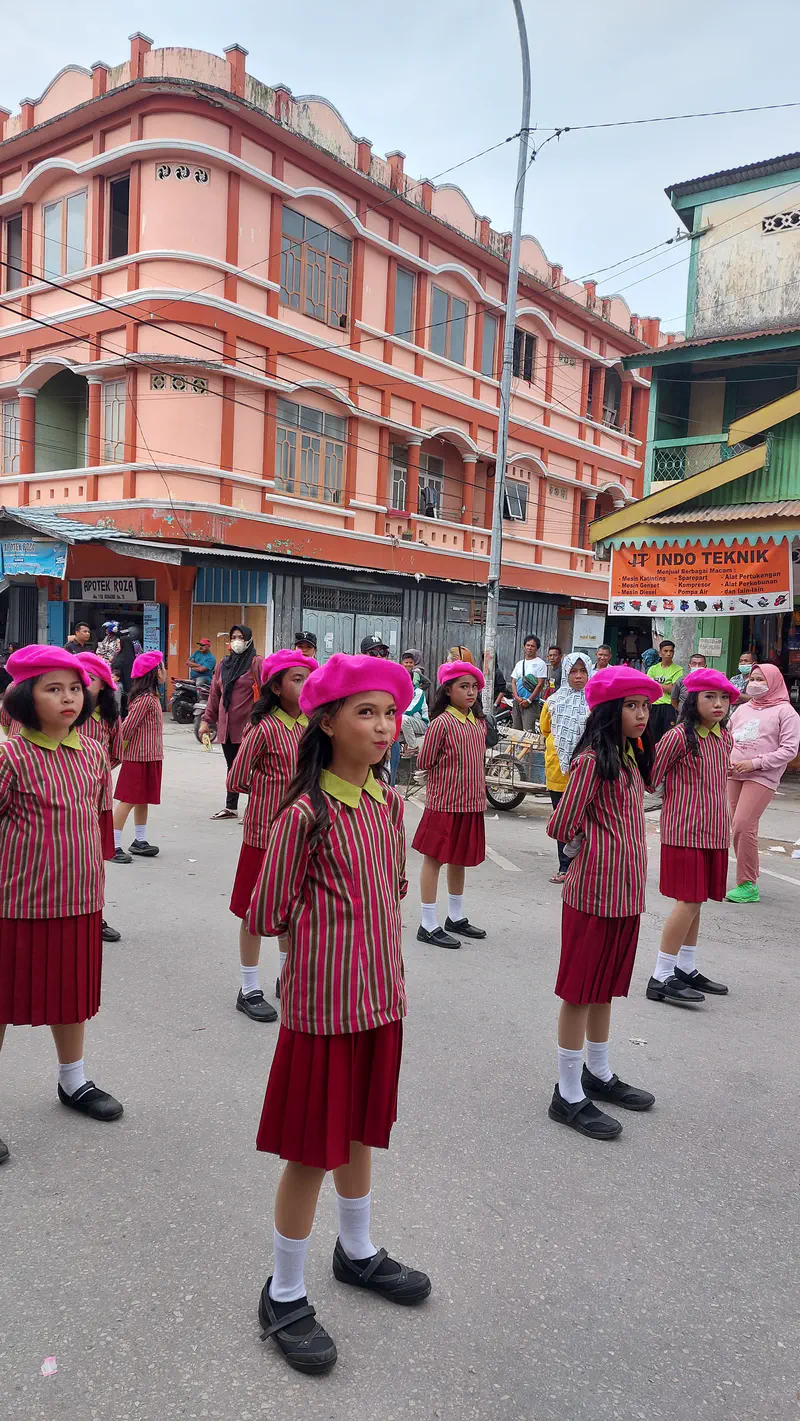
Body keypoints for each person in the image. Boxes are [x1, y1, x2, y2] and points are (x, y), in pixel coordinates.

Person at [247, 653, 429, 1374]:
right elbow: (267, 911)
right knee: (309, 1152)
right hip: (322, 1011)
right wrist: (311, 955)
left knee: (358, 1131)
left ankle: (356, 1252)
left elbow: (393, 891)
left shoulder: (388, 804)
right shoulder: (305, 813)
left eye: (389, 712)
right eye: (366, 712)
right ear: (326, 722)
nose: (384, 726)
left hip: (381, 1000)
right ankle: (283, 1290)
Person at [0, 646, 123, 1164]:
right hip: (16, 903)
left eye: (75, 688)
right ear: (25, 697)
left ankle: (73, 1082)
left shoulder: (93, 753)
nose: (69, 698)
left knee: (71, 998)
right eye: (54, 689)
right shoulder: (9, 756)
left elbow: (98, 818)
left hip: (78, 901)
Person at [546, 666, 659, 1140]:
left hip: (625, 894)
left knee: (605, 988)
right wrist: (588, 843)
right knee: (579, 991)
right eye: (631, 706)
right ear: (610, 710)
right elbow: (561, 823)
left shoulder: (629, 758)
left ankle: (598, 1072)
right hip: (592, 892)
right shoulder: (593, 760)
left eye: (645, 706)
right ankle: (567, 1093)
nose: (641, 715)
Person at [227, 648, 317, 1024]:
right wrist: (270, 796)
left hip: (300, 836)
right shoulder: (263, 728)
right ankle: (249, 988)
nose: (304, 684)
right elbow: (237, 779)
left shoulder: (311, 727)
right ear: (276, 687)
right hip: (263, 835)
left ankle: (287, 977)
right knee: (252, 911)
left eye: (307, 678)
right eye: (296, 679)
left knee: (293, 909)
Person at [647, 669, 738, 1007]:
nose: (718, 704)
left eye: (724, 697)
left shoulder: (723, 736)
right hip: (684, 830)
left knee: (696, 902)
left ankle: (685, 967)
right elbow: (651, 778)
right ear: (691, 701)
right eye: (709, 697)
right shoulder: (678, 737)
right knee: (687, 901)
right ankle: (660, 975)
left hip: (714, 832)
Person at [413, 660, 487, 947]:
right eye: (464, 687)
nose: (471, 693)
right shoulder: (441, 722)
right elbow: (424, 760)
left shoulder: (478, 723)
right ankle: (427, 923)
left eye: (474, 687)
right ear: (448, 690)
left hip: (471, 803)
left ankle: (455, 917)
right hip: (444, 802)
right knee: (434, 859)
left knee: (460, 859)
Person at [726, 664, 800, 904]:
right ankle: (747, 877)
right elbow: (727, 737)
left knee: (742, 824)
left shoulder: (786, 713)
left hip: (762, 775)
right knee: (739, 827)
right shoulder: (742, 709)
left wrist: (755, 763)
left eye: (761, 679)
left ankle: (747, 883)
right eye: (753, 678)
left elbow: (789, 750)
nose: (755, 683)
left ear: (775, 683)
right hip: (733, 773)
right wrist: (724, 759)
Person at [77, 650, 124, 944]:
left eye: (90, 679)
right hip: (66, 801)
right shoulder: (66, 714)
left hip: (99, 800)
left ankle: (95, 914)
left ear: (104, 685)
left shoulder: (108, 718)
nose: (82, 686)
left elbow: (116, 753)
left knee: (94, 862)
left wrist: (96, 773)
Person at [199, 626, 264, 820]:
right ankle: (231, 807)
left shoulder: (256, 663)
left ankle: (255, 809)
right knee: (233, 768)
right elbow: (214, 695)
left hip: (249, 727)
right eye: (234, 637)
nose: (237, 641)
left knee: (252, 769)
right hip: (226, 727)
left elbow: (267, 691)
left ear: (249, 640)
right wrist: (206, 720)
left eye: (241, 637)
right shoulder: (223, 664)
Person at [539, 652, 593, 884]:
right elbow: (545, 729)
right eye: (573, 671)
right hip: (559, 770)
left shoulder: (597, 701)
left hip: (588, 771)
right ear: (566, 674)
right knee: (564, 819)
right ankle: (565, 867)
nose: (578, 676)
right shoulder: (553, 701)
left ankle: (586, 867)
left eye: (583, 671)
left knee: (587, 821)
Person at [112, 650, 166, 863]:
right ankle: (112, 844)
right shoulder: (144, 699)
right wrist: (117, 752)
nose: (164, 671)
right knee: (128, 800)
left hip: (151, 756)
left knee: (143, 800)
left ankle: (139, 840)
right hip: (137, 758)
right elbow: (127, 728)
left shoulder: (153, 697)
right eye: (162, 667)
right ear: (154, 673)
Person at [647, 640, 683, 742]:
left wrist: (655, 684)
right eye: (665, 651)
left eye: (671, 651)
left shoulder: (678, 669)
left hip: (669, 706)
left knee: (669, 736)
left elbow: (673, 689)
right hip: (653, 706)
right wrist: (666, 685)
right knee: (652, 736)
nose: (668, 654)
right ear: (660, 653)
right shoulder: (653, 669)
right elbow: (648, 686)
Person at [511, 635, 548, 731]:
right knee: (516, 730)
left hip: (531, 703)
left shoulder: (540, 664)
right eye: (528, 645)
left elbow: (540, 684)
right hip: (517, 702)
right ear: (524, 646)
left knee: (528, 731)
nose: (529, 648)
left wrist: (529, 700)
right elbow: (513, 681)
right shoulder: (519, 664)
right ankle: (516, 747)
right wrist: (517, 697)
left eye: (532, 646)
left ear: (537, 648)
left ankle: (527, 747)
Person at [111, 625, 144, 713]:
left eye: (118, 643)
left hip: (119, 691)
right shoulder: (134, 659)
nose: (117, 645)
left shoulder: (119, 660)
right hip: (131, 691)